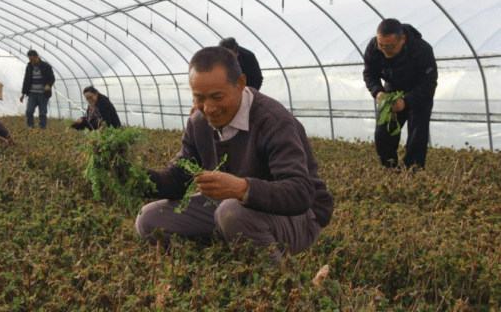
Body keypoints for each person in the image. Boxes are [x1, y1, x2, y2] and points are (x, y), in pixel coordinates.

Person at [136, 47, 334, 263]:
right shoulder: (199, 123)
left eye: (217, 97)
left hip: (299, 215)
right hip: (231, 208)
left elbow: (300, 192)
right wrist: (133, 177)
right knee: (148, 219)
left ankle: (278, 282)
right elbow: (178, 179)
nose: (208, 108)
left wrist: (243, 189)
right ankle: (223, 257)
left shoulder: (273, 121)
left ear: (240, 84)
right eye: (199, 98)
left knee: (231, 213)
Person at [363, 18, 438, 169]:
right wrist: (378, 91)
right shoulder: (373, 48)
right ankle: (389, 170)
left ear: (402, 39)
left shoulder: (422, 50)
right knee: (383, 133)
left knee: (417, 136)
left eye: (390, 47)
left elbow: (429, 83)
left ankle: (413, 173)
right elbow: (370, 74)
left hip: (419, 95)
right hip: (393, 91)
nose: (385, 51)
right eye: (381, 46)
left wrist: (406, 101)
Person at [20, 50, 55, 129]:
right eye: (30, 60)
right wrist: (23, 93)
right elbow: (26, 80)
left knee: (42, 113)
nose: (31, 61)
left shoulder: (46, 66)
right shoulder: (29, 67)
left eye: (33, 59)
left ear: (37, 57)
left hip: (43, 94)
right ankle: (30, 127)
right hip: (32, 93)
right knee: (29, 111)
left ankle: (42, 128)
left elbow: (52, 78)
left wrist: (48, 85)